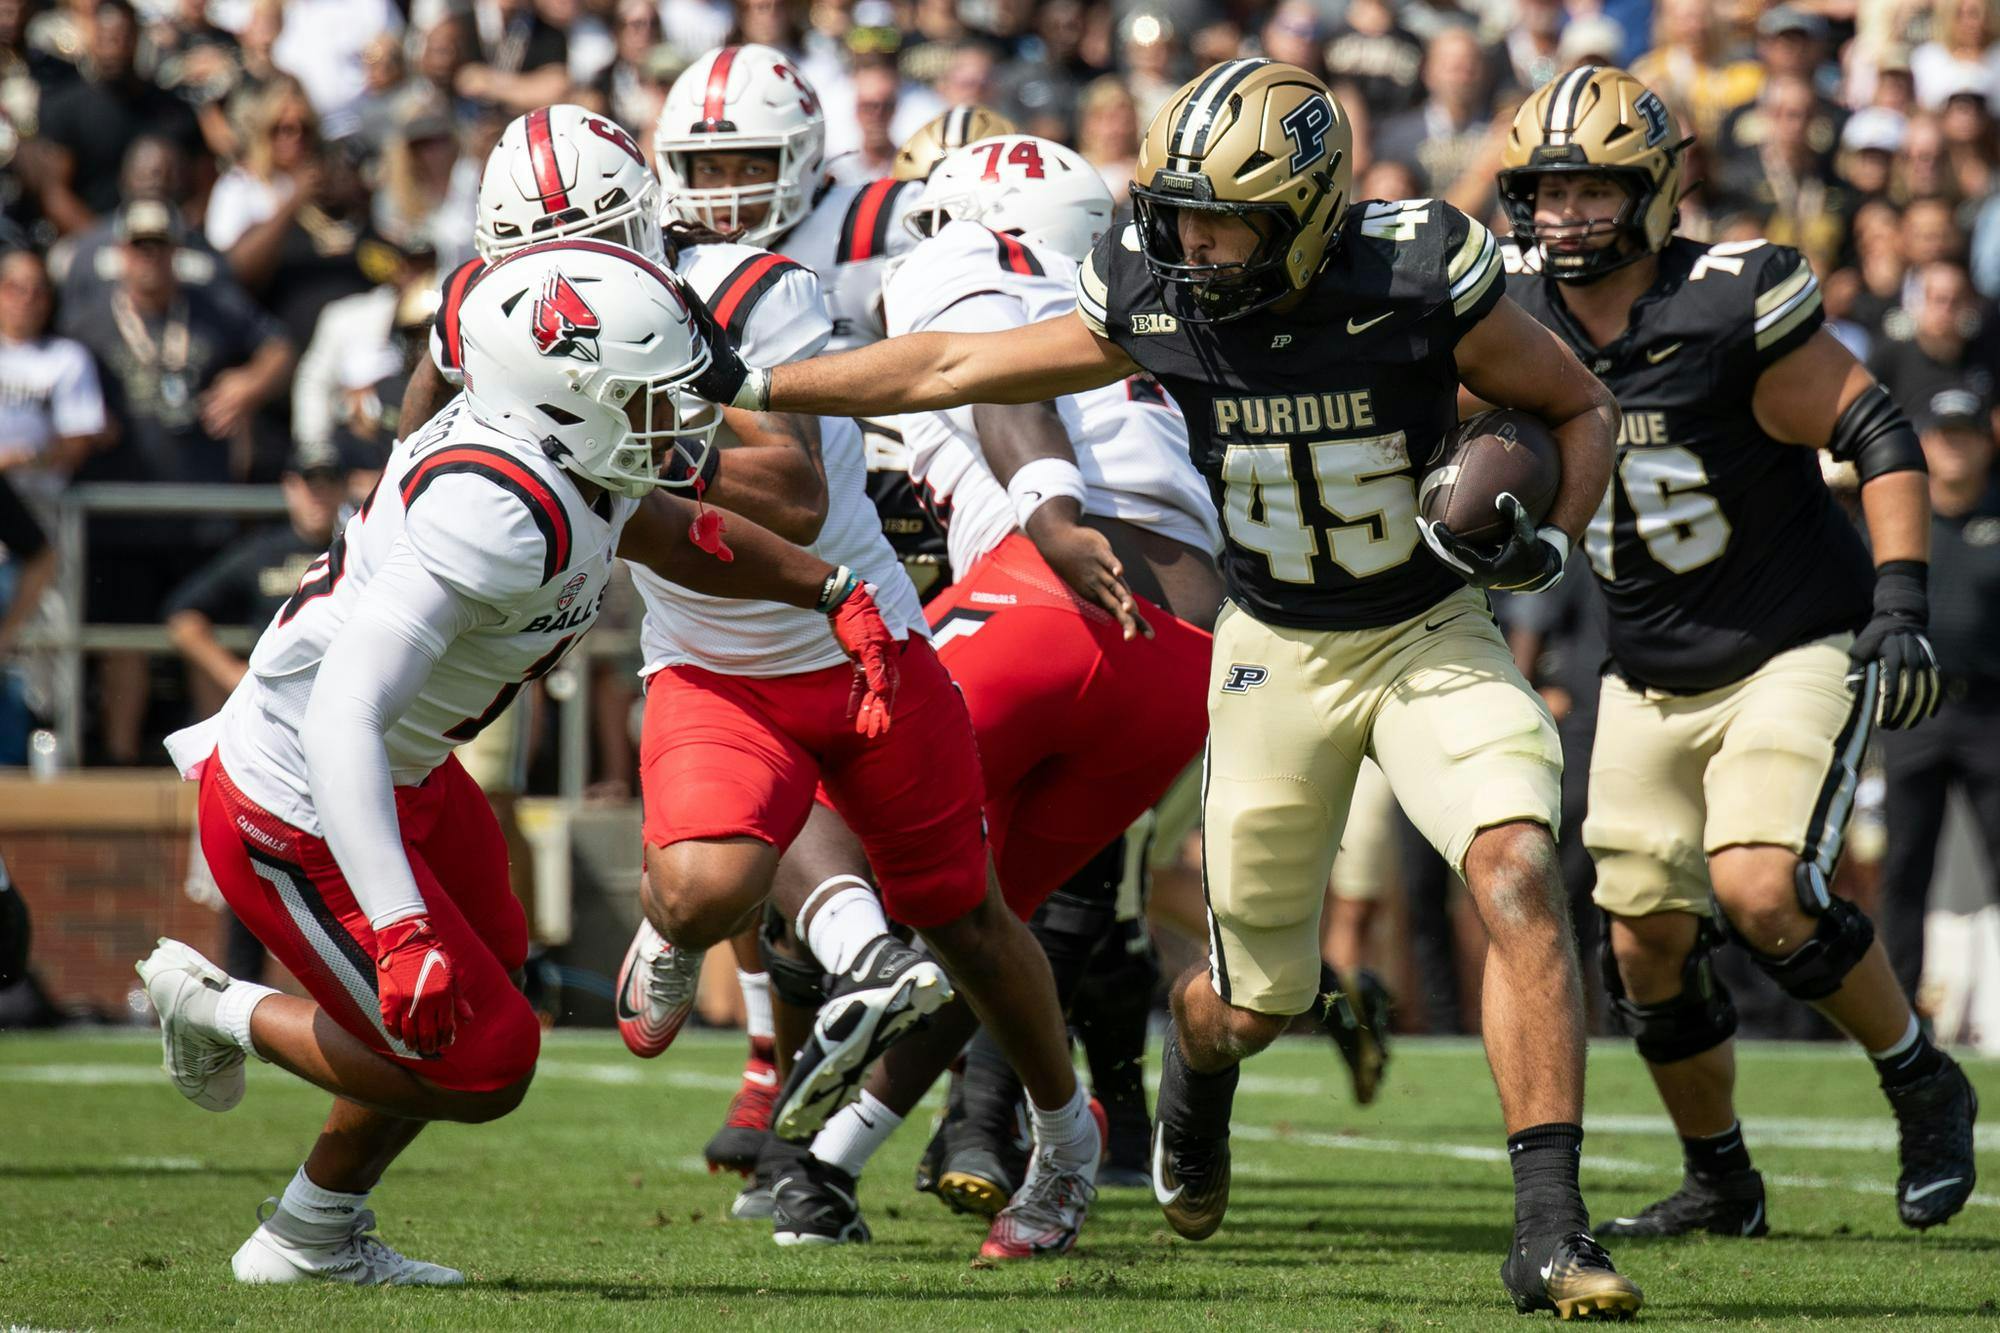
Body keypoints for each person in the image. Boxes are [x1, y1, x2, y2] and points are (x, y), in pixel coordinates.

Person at [697, 58, 1642, 1320]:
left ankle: (1547, 1226)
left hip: (1424, 629)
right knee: (1250, 1002)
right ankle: (1194, 1078)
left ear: (1307, 212)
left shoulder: (1414, 272)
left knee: (1518, 866)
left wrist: (1553, 537)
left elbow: (1575, 401)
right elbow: (945, 372)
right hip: (1270, 651)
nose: (1193, 242)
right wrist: (747, 385)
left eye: (1225, 219)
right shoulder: (1149, 287)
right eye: (1181, 211)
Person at [139, 236, 903, 1285]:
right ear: (561, 398)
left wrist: (826, 590)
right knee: (485, 1061)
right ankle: (213, 1005)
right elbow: (343, 713)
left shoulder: (566, 451)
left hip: (405, 770)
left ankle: (308, 1233)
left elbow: (678, 535)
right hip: (301, 797)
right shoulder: (494, 508)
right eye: (646, 393)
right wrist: (401, 927)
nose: (674, 412)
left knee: (483, 979)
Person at [1493, 64, 1978, 1241]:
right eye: (1543, 191)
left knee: (1761, 887)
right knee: (1643, 939)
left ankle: (1921, 1078)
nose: (1560, 216)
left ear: (1656, 192)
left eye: (1589, 190)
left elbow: (1873, 423)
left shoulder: (1722, 301)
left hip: (1786, 644)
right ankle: (1721, 1179)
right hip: (1642, 670)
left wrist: (1898, 599)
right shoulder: (1507, 314)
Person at [754, 135, 1216, 1248]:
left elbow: (991, 372)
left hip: (1050, 581)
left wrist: (1048, 506)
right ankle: (837, 1167)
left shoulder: (963, 261)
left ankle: (860, 955)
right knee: (981, 936)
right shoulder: (1129, 305)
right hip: (1189, 647)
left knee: (781, 767)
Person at [64, 200, 293, 764]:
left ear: (176, 253)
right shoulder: (86, 320)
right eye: (140, 247)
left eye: (160, 247)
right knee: (125, 643)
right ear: (120, 254)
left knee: (204, 634)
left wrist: (247, 386)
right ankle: (121, 762)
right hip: (123, 511)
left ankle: (218, 761)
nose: (150, 259)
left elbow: (279, 345)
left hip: (201, 511)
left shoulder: (212, 308)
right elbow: (52, 369)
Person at [1876, 386, 2000, 1000]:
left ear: (1987, 443)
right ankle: (1901, 1016)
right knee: (1904, 868)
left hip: (1990, 713)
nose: (1955, 449)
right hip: (1912, 711)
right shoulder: (1901, 513)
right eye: (1945, 436)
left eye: (1967, 436)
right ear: (1925, 443)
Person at [31, 0, 201, 233]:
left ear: (137, 39)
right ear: (93, 38)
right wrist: (102, 242)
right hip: (88, 236)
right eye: (107, 39)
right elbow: (55, 195)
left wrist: (177, 233)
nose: (115, 48)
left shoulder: (172, 110)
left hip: (167, 240)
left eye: (123, 38)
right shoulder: (65, 106)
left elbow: (204, 184)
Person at [0, 247, 106, 512]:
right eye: (15, 288)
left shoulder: (67, 358)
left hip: (40, 506)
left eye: (38, 290)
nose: (26, 299)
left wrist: (20, 459)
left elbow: (77, 443)